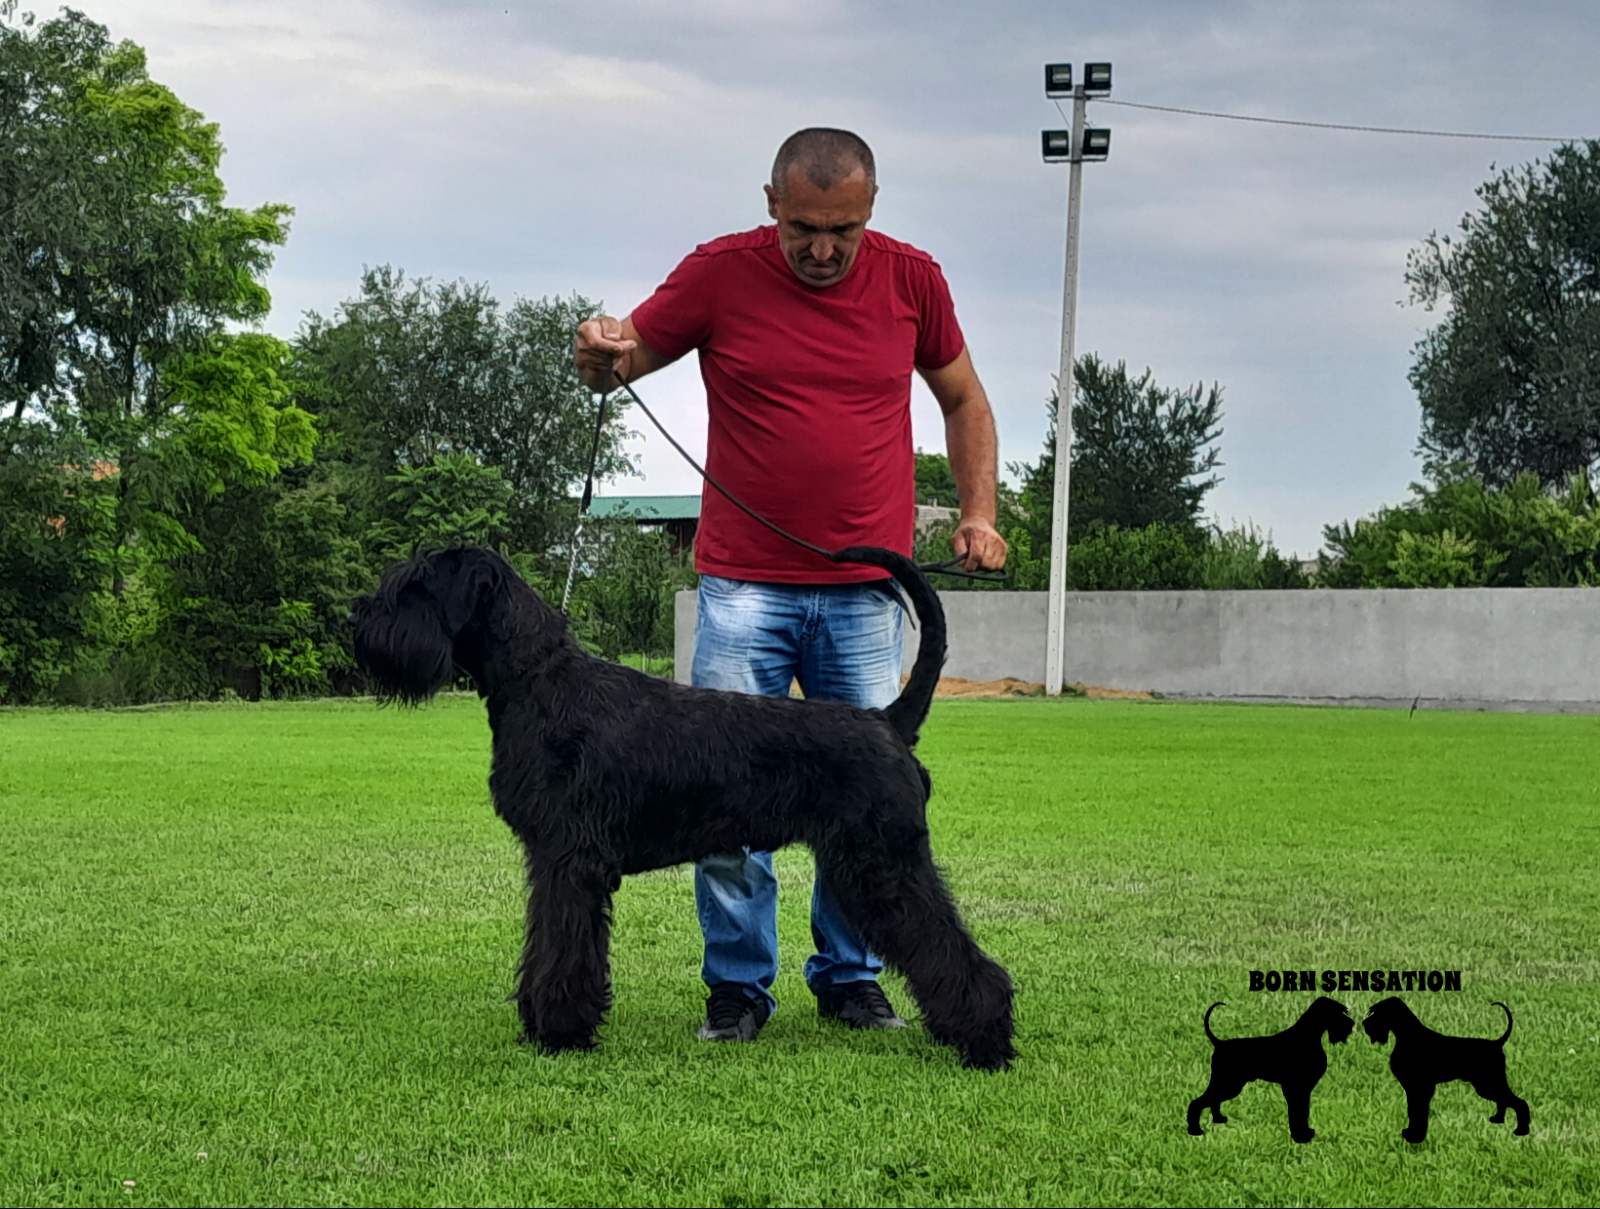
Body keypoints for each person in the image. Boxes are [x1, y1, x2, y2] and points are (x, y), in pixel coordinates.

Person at [573, 127, 1007, 1045]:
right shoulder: (719, 271)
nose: (822, 249)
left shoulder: (912, 278)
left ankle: (852, 980)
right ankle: (738, 988)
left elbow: (963, 397)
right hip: (742, 586)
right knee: (719, 803)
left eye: (842, 230)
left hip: (865, 594)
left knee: (865, 801)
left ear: (872, 208)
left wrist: (979, 512)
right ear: (770, 202)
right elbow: (629, 358)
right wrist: (603, 350)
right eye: (805, 227)